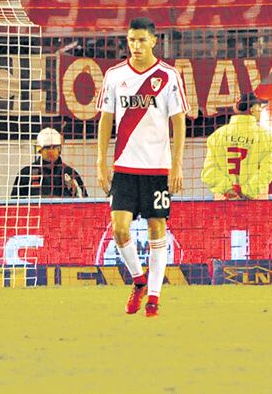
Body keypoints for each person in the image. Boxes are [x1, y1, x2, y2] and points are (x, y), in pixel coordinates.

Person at [96, 17, 187, 318]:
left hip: (157, 169)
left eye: (141, 40)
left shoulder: (168, 75)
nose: (136, 46)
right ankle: (139, 281)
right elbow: (106, 119)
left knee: (156, 227)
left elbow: (178, 121)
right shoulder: (114, 75)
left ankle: (154, 298)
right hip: (124, 167)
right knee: (120, 229)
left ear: (153, 41)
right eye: (131, 40)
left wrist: (177, 166)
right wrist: (100, 161)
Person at [201, 93, 272, 200]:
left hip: (224, 202)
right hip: (255, 202)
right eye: (260, 107)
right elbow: (267, 170)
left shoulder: (217, 136)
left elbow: (209, 172)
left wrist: (228, 190)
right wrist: (247, 191)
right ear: (253, 109)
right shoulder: (266, 138)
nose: (261, 111)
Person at [11, 128, 88, 198]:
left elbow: (84, 201)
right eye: (47, 148)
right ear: (39, 150)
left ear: (59, 149)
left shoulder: (70, 173)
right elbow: (14, 204)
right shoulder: (26, 174)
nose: (51, 151)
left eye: (54, 147)